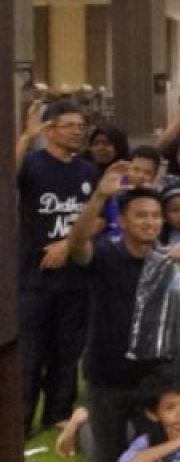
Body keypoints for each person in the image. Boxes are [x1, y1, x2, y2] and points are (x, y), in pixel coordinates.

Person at [65, 167, 165, 462]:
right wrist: (99, 196)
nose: (149, 222)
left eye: (155, 216)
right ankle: (82, 422)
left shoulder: (166, 264)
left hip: (153, 377)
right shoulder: (104, 255)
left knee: (153, 461)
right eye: (141, 215)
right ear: (122, 221)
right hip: (108, 376)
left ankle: (130, 429)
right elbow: (75, 244)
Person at [16, 100, 100, 436]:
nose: (78, 132)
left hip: (75, 276)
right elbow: (7, 177)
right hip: (34, 276)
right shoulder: (33, 164)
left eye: (82, 126)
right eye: (70, 126)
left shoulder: (88, 171)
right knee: (30, 351)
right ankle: (20, 420)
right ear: (50, 131)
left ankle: (58, 411)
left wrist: (68, 244)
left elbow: (97, 219)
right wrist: (26, 137)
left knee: (67, 350)